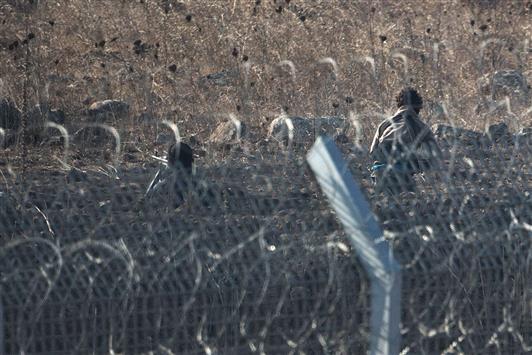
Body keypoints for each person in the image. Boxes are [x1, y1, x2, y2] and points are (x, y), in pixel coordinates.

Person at [369, 87, 442, 194]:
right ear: (418, 108)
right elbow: (436, 156)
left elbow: (372, 151)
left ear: (399, 105)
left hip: (380, 170)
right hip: (402, 172)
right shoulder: (421, 126)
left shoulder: (385, 124)